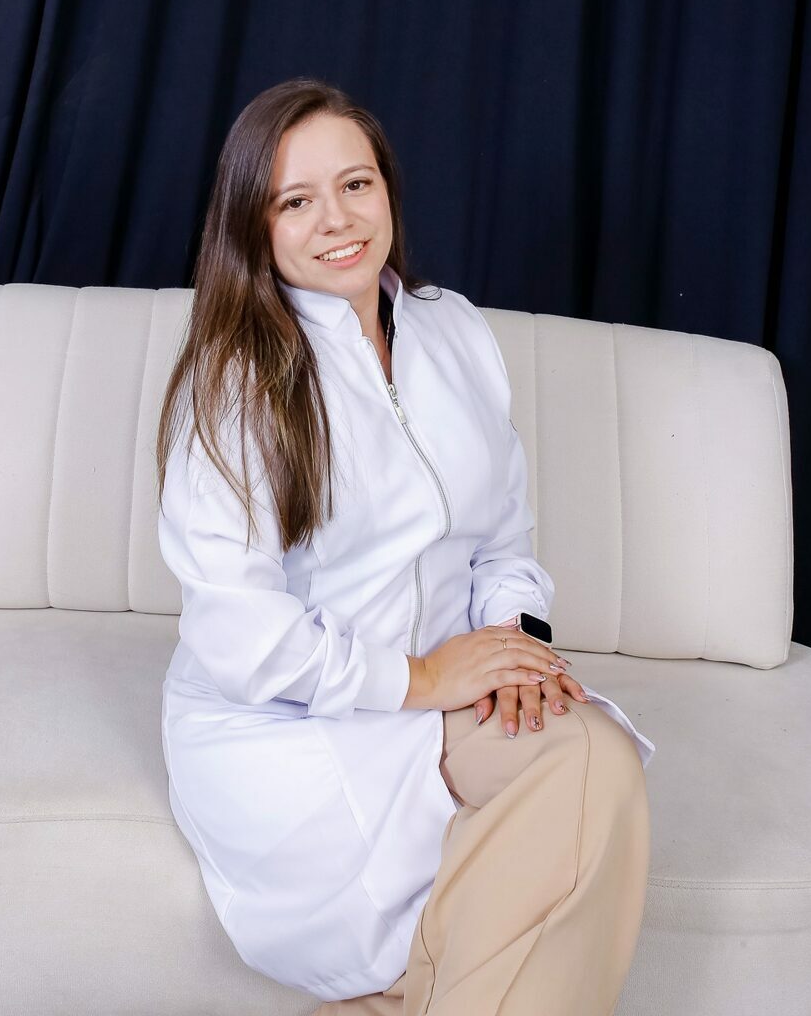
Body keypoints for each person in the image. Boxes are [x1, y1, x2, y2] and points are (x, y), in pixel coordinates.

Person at [156, 77, 654, 1014]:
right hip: (293, 726)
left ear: (386, 187)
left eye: (356, 184)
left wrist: (513, 648)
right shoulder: (234, 386)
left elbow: (502, 537)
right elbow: (240, 636)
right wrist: (422, 678)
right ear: (253, 224)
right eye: (295, 201)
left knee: (592, 759)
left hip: (447, 695)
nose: (336, 220)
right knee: (569, 796)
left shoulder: (451, 330)